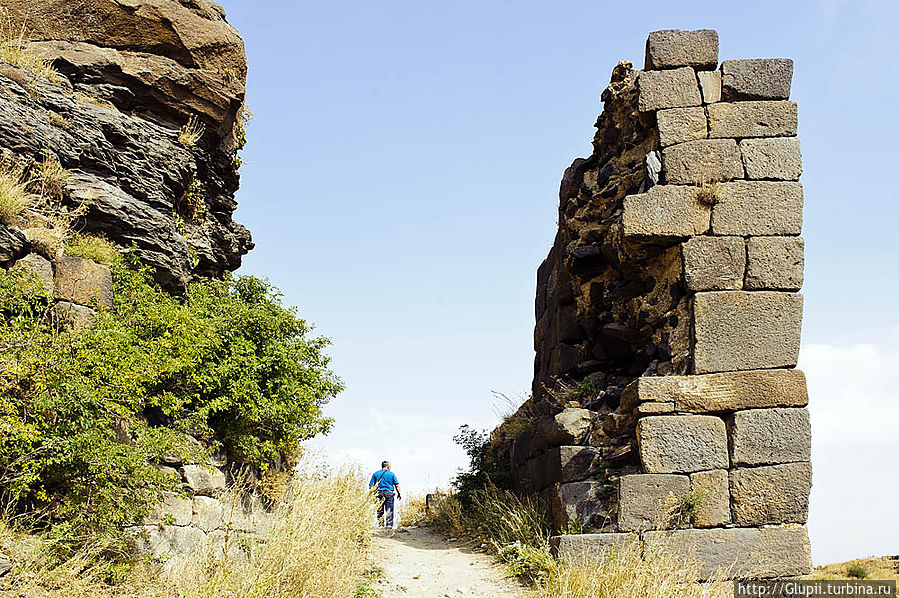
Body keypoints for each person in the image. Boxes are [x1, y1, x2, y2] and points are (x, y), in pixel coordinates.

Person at [369, 460, 402, 527]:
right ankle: (389, 525)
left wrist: (372, 494)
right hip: (389, 493)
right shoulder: (391, 474)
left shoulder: (375, 474)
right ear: (388, 467)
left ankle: (381, 525)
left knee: (380, 509)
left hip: (379, 493)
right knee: (389, 509)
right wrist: (399, 494)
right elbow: (397, 485)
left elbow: (370, 486)